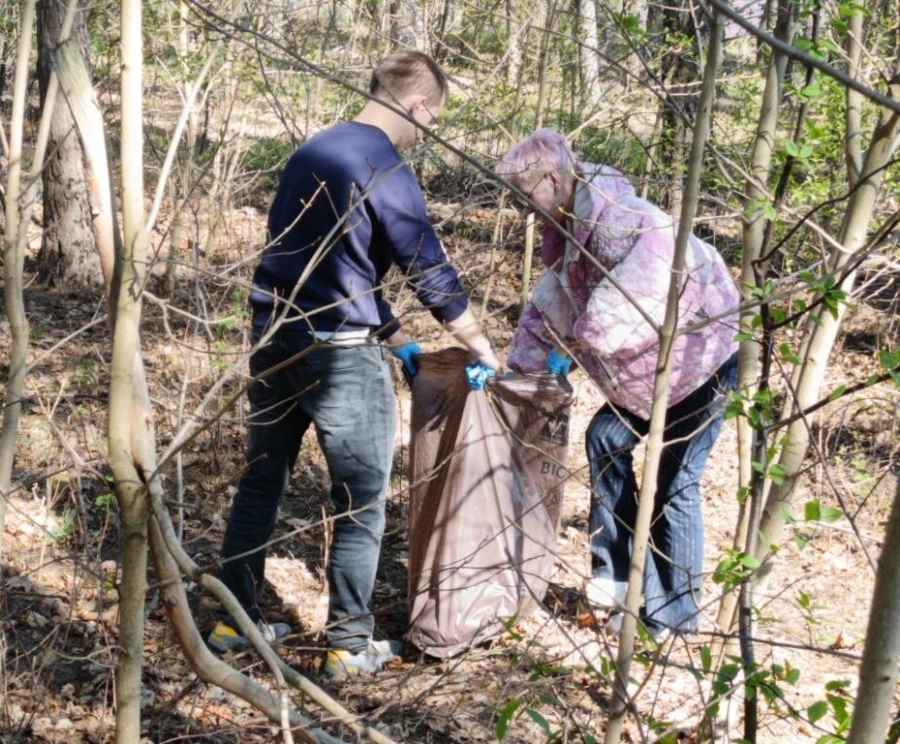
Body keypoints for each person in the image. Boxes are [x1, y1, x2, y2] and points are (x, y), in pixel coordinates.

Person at [209, 50, 500, 676]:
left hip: (274, 339)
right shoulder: (385, 166)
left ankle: (233, 620)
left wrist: (398, 339)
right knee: (361, 500)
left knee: (262, 481)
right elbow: (430, 272)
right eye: (431, 121)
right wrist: (482, 348)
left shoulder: (312, 151)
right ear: (418, 106)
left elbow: (333, 267)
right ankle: (348, 645)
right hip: (338, 357)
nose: (425, 133)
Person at [497, 129, 739, 636]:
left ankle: (674, 622)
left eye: (525, 192)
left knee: (675, 484)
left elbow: (639, 302)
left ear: (553, 179)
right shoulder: (568, 229)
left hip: (702, 365)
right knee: (605, 439)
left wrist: (578, 340)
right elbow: (552, 300)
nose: (523, 205)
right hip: (644, 379)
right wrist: (519, 372)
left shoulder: (627, 219)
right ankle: (615, 581)